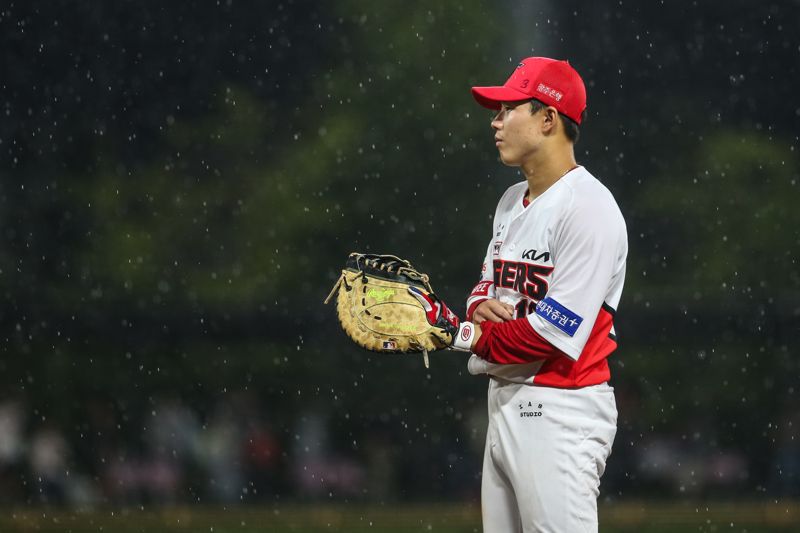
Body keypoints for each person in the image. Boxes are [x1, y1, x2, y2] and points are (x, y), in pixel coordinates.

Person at [421, 57, 628, 532]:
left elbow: (551, 334)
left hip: (560, 410)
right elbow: (488, 284)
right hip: (505, 401)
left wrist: (459, 333)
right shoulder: (512, 201)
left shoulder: (589, 209)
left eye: (507, 108)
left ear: (548, 118)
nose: (495, 121)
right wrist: (475, 307)